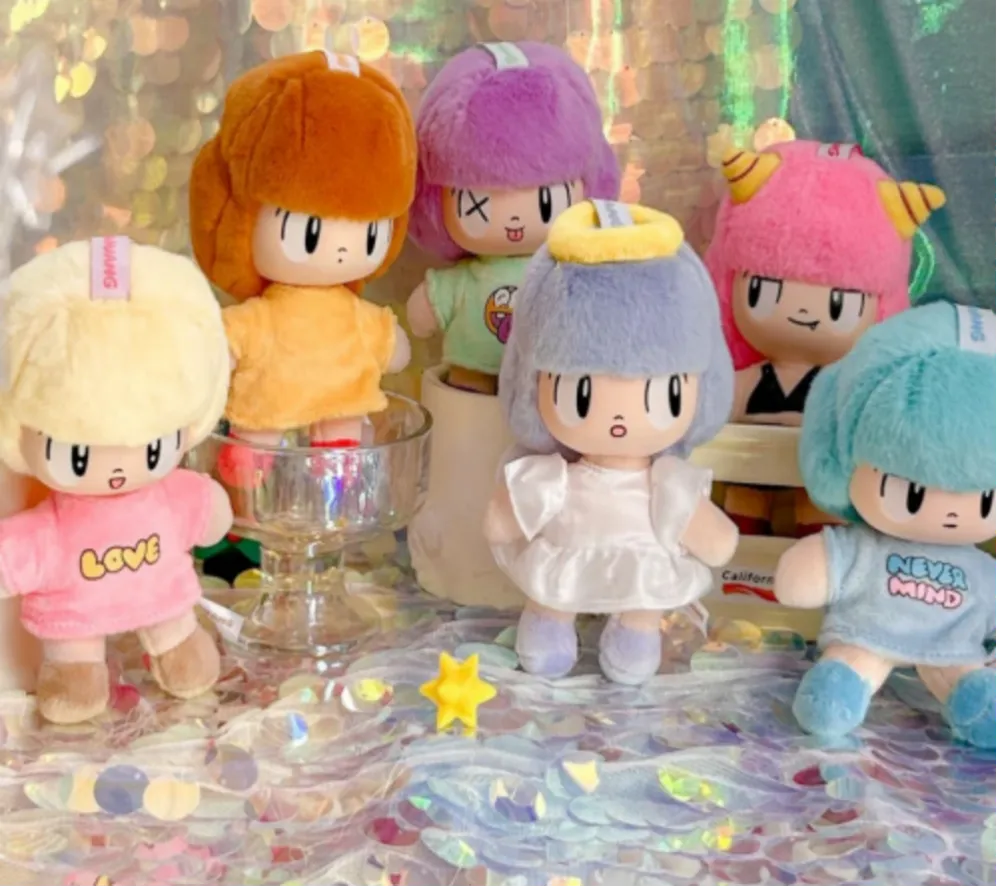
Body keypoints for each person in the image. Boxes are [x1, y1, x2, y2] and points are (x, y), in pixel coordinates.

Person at [484, 200, 738, 685]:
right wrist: (503, 515)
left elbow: (711, 534)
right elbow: (504, 519)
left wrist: (715, 536)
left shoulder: (664, 480)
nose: (620, 419)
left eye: (660, 394)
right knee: (551, 598)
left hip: (640, 567)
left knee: (640, 611)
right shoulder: (558, 475)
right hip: (567, 559)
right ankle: (549, 631)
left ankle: (633, 638)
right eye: (580, 394)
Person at [0, 237, 232, 723]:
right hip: (76, 616)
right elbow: (19, 551)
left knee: (179, 640)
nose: (120, 469)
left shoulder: (165, 495)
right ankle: (77, 675)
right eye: (79, 457)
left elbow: (203, 508)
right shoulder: (54, 521)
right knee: (74, 663)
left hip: (161, 597)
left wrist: (211, 509)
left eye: (152, 449)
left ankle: (176, 649)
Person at [774, 302, 997, 749]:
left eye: (984, 499)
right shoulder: (867, 546)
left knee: (978, 698)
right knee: (836, 691)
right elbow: (818, 568)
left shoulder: (982, 569)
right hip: (866, 638)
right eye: (913, 493)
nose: (951, 512)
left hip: (953, 648)